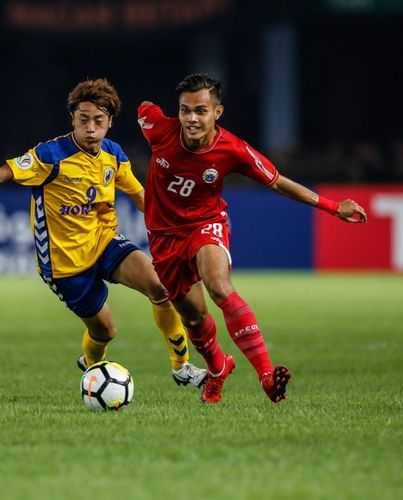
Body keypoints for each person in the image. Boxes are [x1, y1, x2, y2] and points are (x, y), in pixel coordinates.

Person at [0, 79, 207, 388]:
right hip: (64, 264)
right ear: (73, 120)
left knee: (160, 287)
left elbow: (141, 198)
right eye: (83, 120)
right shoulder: (50, 155)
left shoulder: (113, 154)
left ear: (110, 122)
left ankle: (182, 367)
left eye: (98, 120)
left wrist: (181, 226)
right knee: (105, 332)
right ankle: (92, 365)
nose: (91, 127)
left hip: (104, 241)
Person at [137, 74, 367, 404]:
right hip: (163, 238)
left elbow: (277, 181)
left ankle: (267, 376)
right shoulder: (158, 130)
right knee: (194, 318)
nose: (191, 118)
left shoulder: (233, 149)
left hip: (206, 225)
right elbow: (144, 110)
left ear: (218, 112)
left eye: (200, 110)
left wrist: (332, 207)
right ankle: (217, 368)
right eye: (185, 110)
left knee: (218, 285)